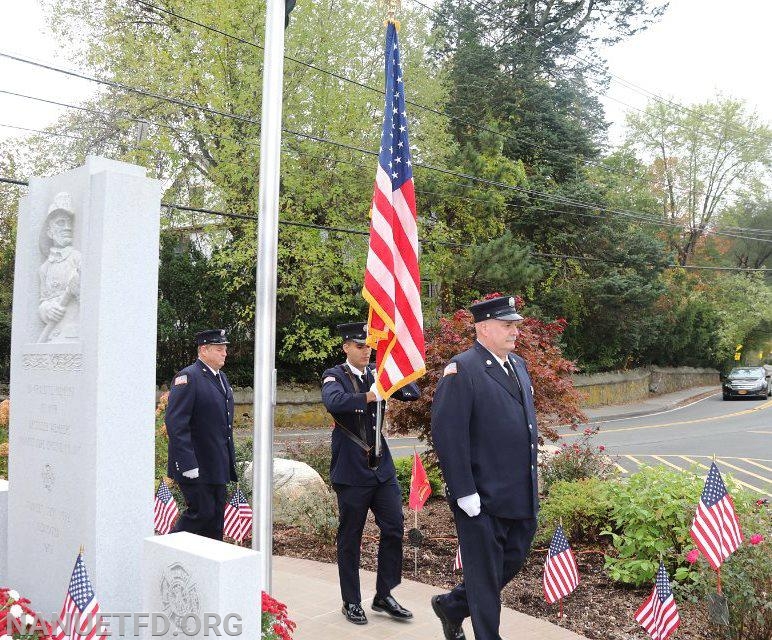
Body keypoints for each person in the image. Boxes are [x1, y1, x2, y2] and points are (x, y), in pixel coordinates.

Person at [430, 296, 539, 640]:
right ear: (483, 328)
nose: (515, 331)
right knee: (484, 579)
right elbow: (448, 435)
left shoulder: (518, 365)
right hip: (481, 498)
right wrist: (463, 491)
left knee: (509, 562)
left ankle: (452, 605)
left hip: (518, 495)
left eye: (515, 325)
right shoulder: (463, 369)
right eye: (507, 325)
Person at [321, 322, 420, 625]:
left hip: (381, 469)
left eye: (369, 347)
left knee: (394, 527)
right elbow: (334, 402)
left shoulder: (378, 372)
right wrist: (371, 395)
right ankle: (351, 600)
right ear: (346, 348)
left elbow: (412, 393)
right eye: (360, 346)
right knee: (350, 536)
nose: (366, 351)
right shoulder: (334, 376)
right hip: (351, 471)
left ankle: (384, 593)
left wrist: (393, 374)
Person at [165, 328, 237, 540]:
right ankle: (167, 551)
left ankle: (209, 569)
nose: (225, 353)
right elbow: (176, 423)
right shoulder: (188, 377)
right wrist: (187, 464)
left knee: (215, 521)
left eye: (225, 349)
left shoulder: (221, 378)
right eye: (219, 349)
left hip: (217, 464)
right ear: (203, 350)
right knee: (200, 514)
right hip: (195, 465)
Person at [38, 193, 82, 343]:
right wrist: (47, 310)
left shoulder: (78, 259)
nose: (67, 228)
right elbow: (43, 300)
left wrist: (78, 292)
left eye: (69, 223)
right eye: (61, 223)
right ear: (50, 231)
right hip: (51, 335)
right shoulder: (44, 268)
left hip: (72, 333)